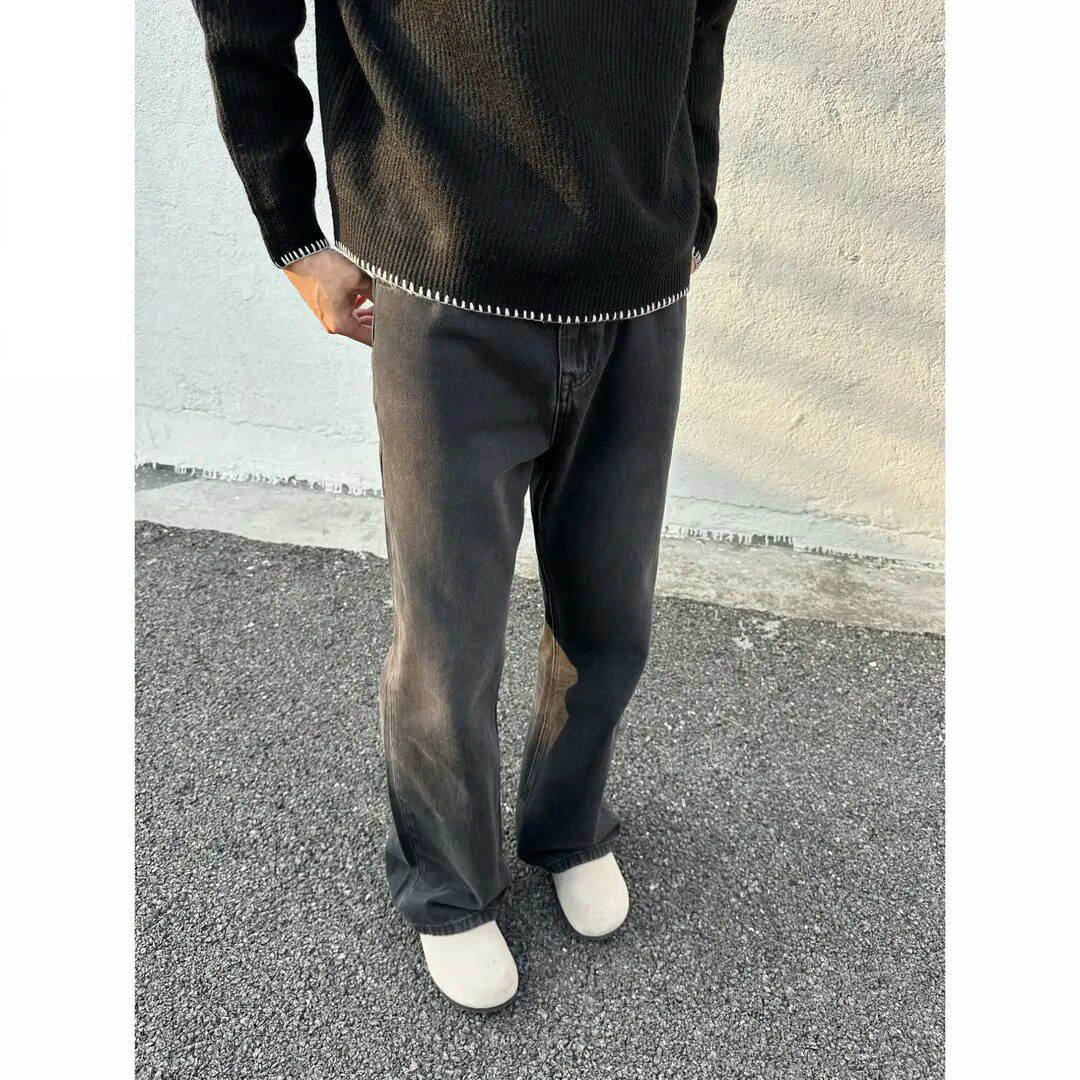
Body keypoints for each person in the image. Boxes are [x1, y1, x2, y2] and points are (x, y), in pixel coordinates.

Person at [192, 0, 738, 1012]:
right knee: (448, 631)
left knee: (610, 611)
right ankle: (448, 884)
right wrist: (292, 228)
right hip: (444, 274)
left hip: (638, 276)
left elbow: (704, 20)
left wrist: (693, 200)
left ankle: (568, 826)